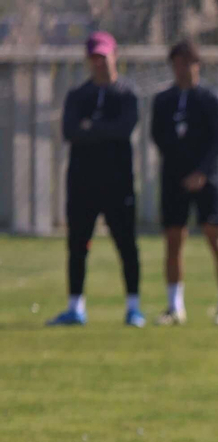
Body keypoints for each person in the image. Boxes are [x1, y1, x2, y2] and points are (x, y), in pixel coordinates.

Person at [48, 31, 143, 328]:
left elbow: (123, 129)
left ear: (115, 56)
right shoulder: (79, 96)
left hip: (118, 182)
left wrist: (91, 128)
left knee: (126, 245)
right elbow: (70, 131)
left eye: (103, 56)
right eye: (94, 58)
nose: (99, 63)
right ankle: (75, 307)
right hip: (82, 182)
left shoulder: (126, 94)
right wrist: (100, 130)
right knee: (77, 245)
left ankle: (133, 308)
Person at [151, 40, 218, 327]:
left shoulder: (211, 98)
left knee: (215, 235)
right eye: (177, 64)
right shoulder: (163, 100)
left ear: (197, 64)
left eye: (187, 62)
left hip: (206, 179)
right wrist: (179, 170)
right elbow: (158, 136)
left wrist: (201, 171)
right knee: (173, 238)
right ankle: (174, 307)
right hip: (173, 178)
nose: (182, 69)